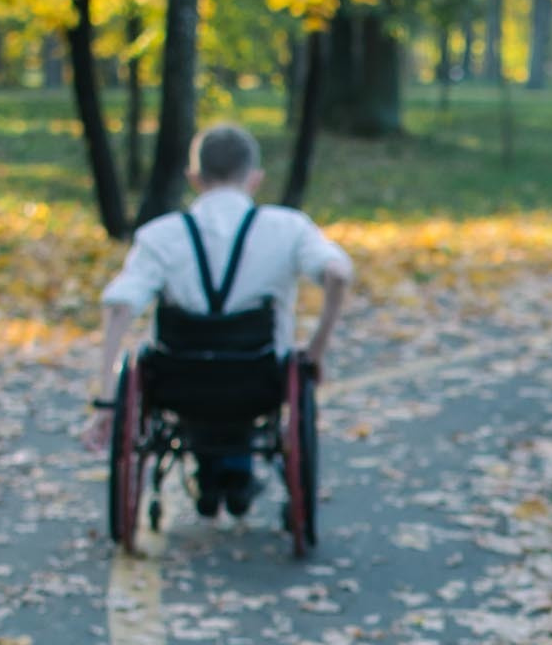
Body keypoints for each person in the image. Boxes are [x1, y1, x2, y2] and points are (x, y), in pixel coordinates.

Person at [85, 123, 353, 518]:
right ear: (256, 179)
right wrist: (315, 351)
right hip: (260, 381)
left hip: (178, 383)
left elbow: (121, 305)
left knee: (187, 377)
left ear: (193, 178)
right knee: (250, 380)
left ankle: (213, 475)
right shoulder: (288, 228)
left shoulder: (159, 236)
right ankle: (233, 473)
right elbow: (339, 275)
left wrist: (107, 401)